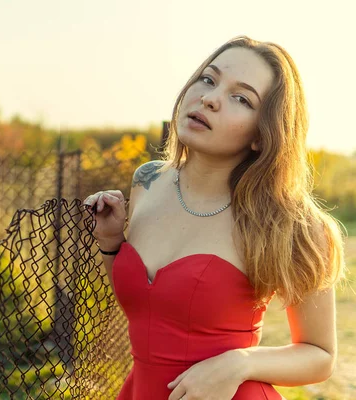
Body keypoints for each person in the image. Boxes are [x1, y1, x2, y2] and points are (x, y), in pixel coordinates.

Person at [83, 36, 346, 400]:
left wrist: (241, 363)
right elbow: (149, 310)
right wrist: (111, 244)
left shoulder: (288, 222)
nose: (210, 98)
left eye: (241, 98)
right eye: (208, 79)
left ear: (262, 134)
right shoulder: (148, 181)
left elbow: (321, 356)